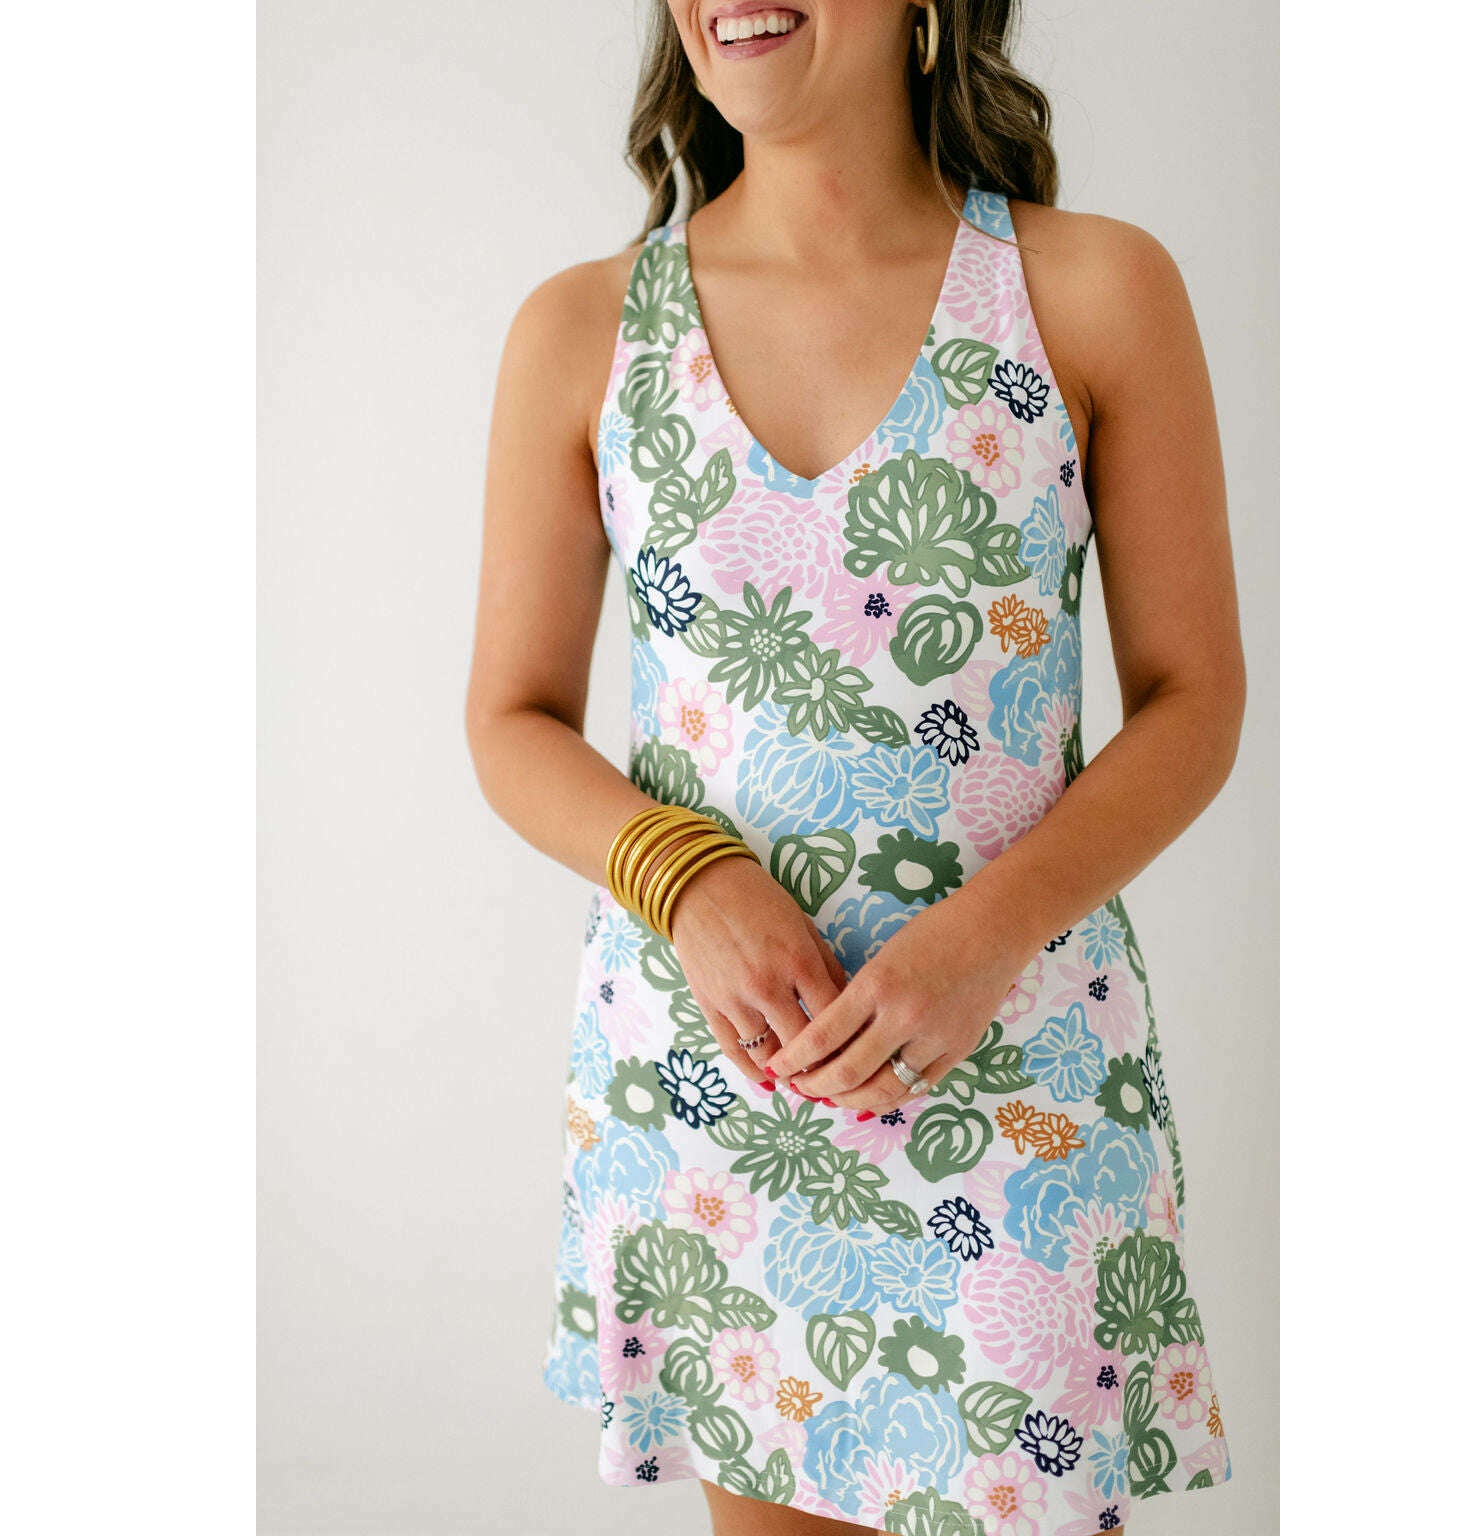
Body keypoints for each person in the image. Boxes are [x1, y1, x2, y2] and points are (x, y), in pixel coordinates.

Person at [465, 2, 1246, 1531]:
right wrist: (687, 882)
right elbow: (512, 718)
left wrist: (983, 939)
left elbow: (1194, 699)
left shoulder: (1091, 293)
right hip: (722, 1098)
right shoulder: (585, 329)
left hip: (1019, 1090)